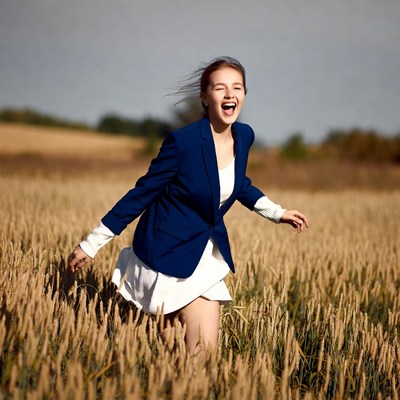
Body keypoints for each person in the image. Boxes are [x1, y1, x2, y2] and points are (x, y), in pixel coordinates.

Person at [68, 56, 309, 353]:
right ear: (205, 97)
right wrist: (92, 244)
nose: (230, 94)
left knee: (200, 356)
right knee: (186, 356)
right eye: (220, 88)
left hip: (203, 253)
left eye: (237, 88)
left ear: (245, 94)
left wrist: (277, 213)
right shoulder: (183, 143)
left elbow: (238, 183)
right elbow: (142, 193)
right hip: (165, 254)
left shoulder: (243, 136)